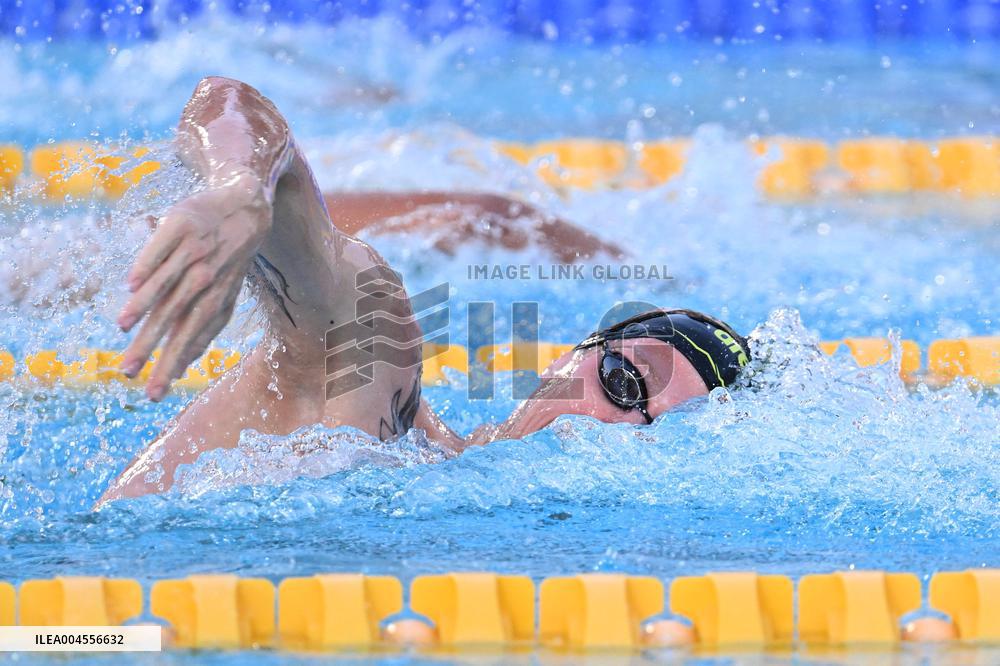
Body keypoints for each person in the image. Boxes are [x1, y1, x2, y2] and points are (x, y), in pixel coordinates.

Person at [98, 77, 750, 504]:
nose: (615, 427)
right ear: (567, 358)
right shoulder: (377, 386)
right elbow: (232, 101)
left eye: (661, 436)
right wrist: (240, 188)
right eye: (623, 381)